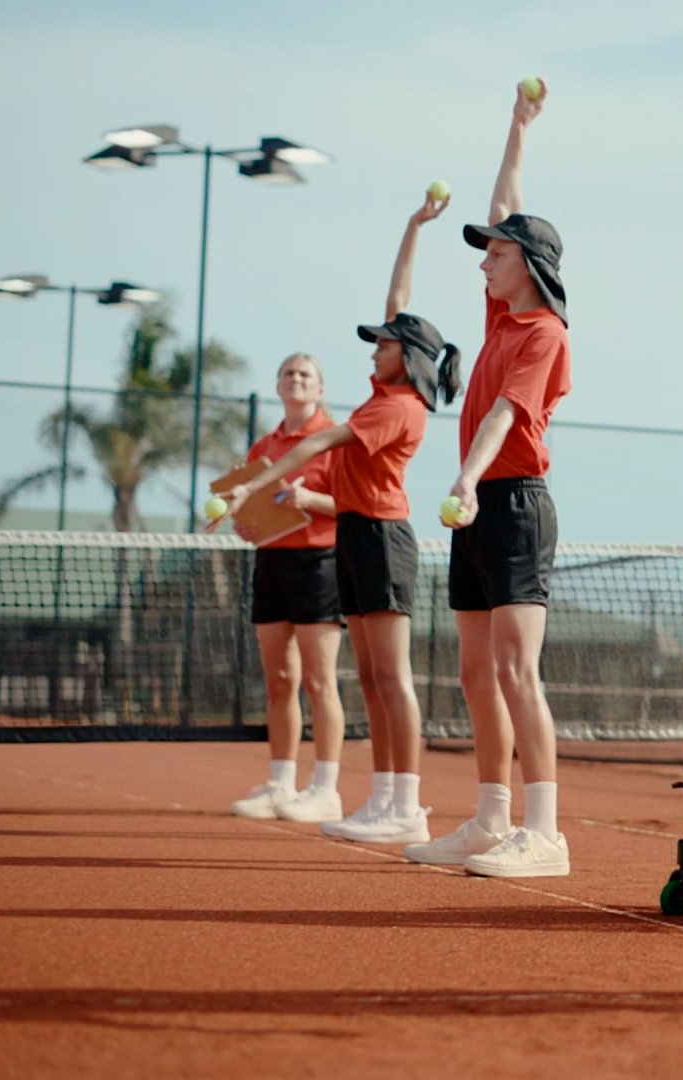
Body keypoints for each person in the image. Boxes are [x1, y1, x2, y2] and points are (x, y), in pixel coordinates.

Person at [221, 188, 462, 846]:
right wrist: (414, 226)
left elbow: (315, 445)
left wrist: (253, 486)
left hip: (382, 537)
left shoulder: (394, 407)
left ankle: (405, 805)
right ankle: (384, 798)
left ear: (405, 357)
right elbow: (399, 301)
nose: (373, 348)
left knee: (391, 678)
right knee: (374, 679)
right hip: (358, 535)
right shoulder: (387, 387)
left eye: (383, 344)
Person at [401, 80, 574, 878]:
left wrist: (466, 479)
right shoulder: (501, 317)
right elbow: (507, 201)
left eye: (497, 254)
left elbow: (506, 416)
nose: (483, 263)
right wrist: (518, 126)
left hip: (511, 505)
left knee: (514, 668)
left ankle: (546, 832)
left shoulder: (543, 335)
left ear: (529, 266)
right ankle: (490, 818)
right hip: (476, 506)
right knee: (475, 672)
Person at [228, 354, 349, 823]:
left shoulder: (335, 439)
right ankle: (281, 783)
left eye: (305, 375)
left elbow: (354, 504)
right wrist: (247, 526)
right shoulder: (264, 445)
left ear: (319, 389)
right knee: (280, 681)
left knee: (320, 681)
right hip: (270, 563)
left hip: (319, 563)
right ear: (278, 385)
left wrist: (309, 499)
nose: (296, 379)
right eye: (288, 374)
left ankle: (326, 788)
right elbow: (250, 505)